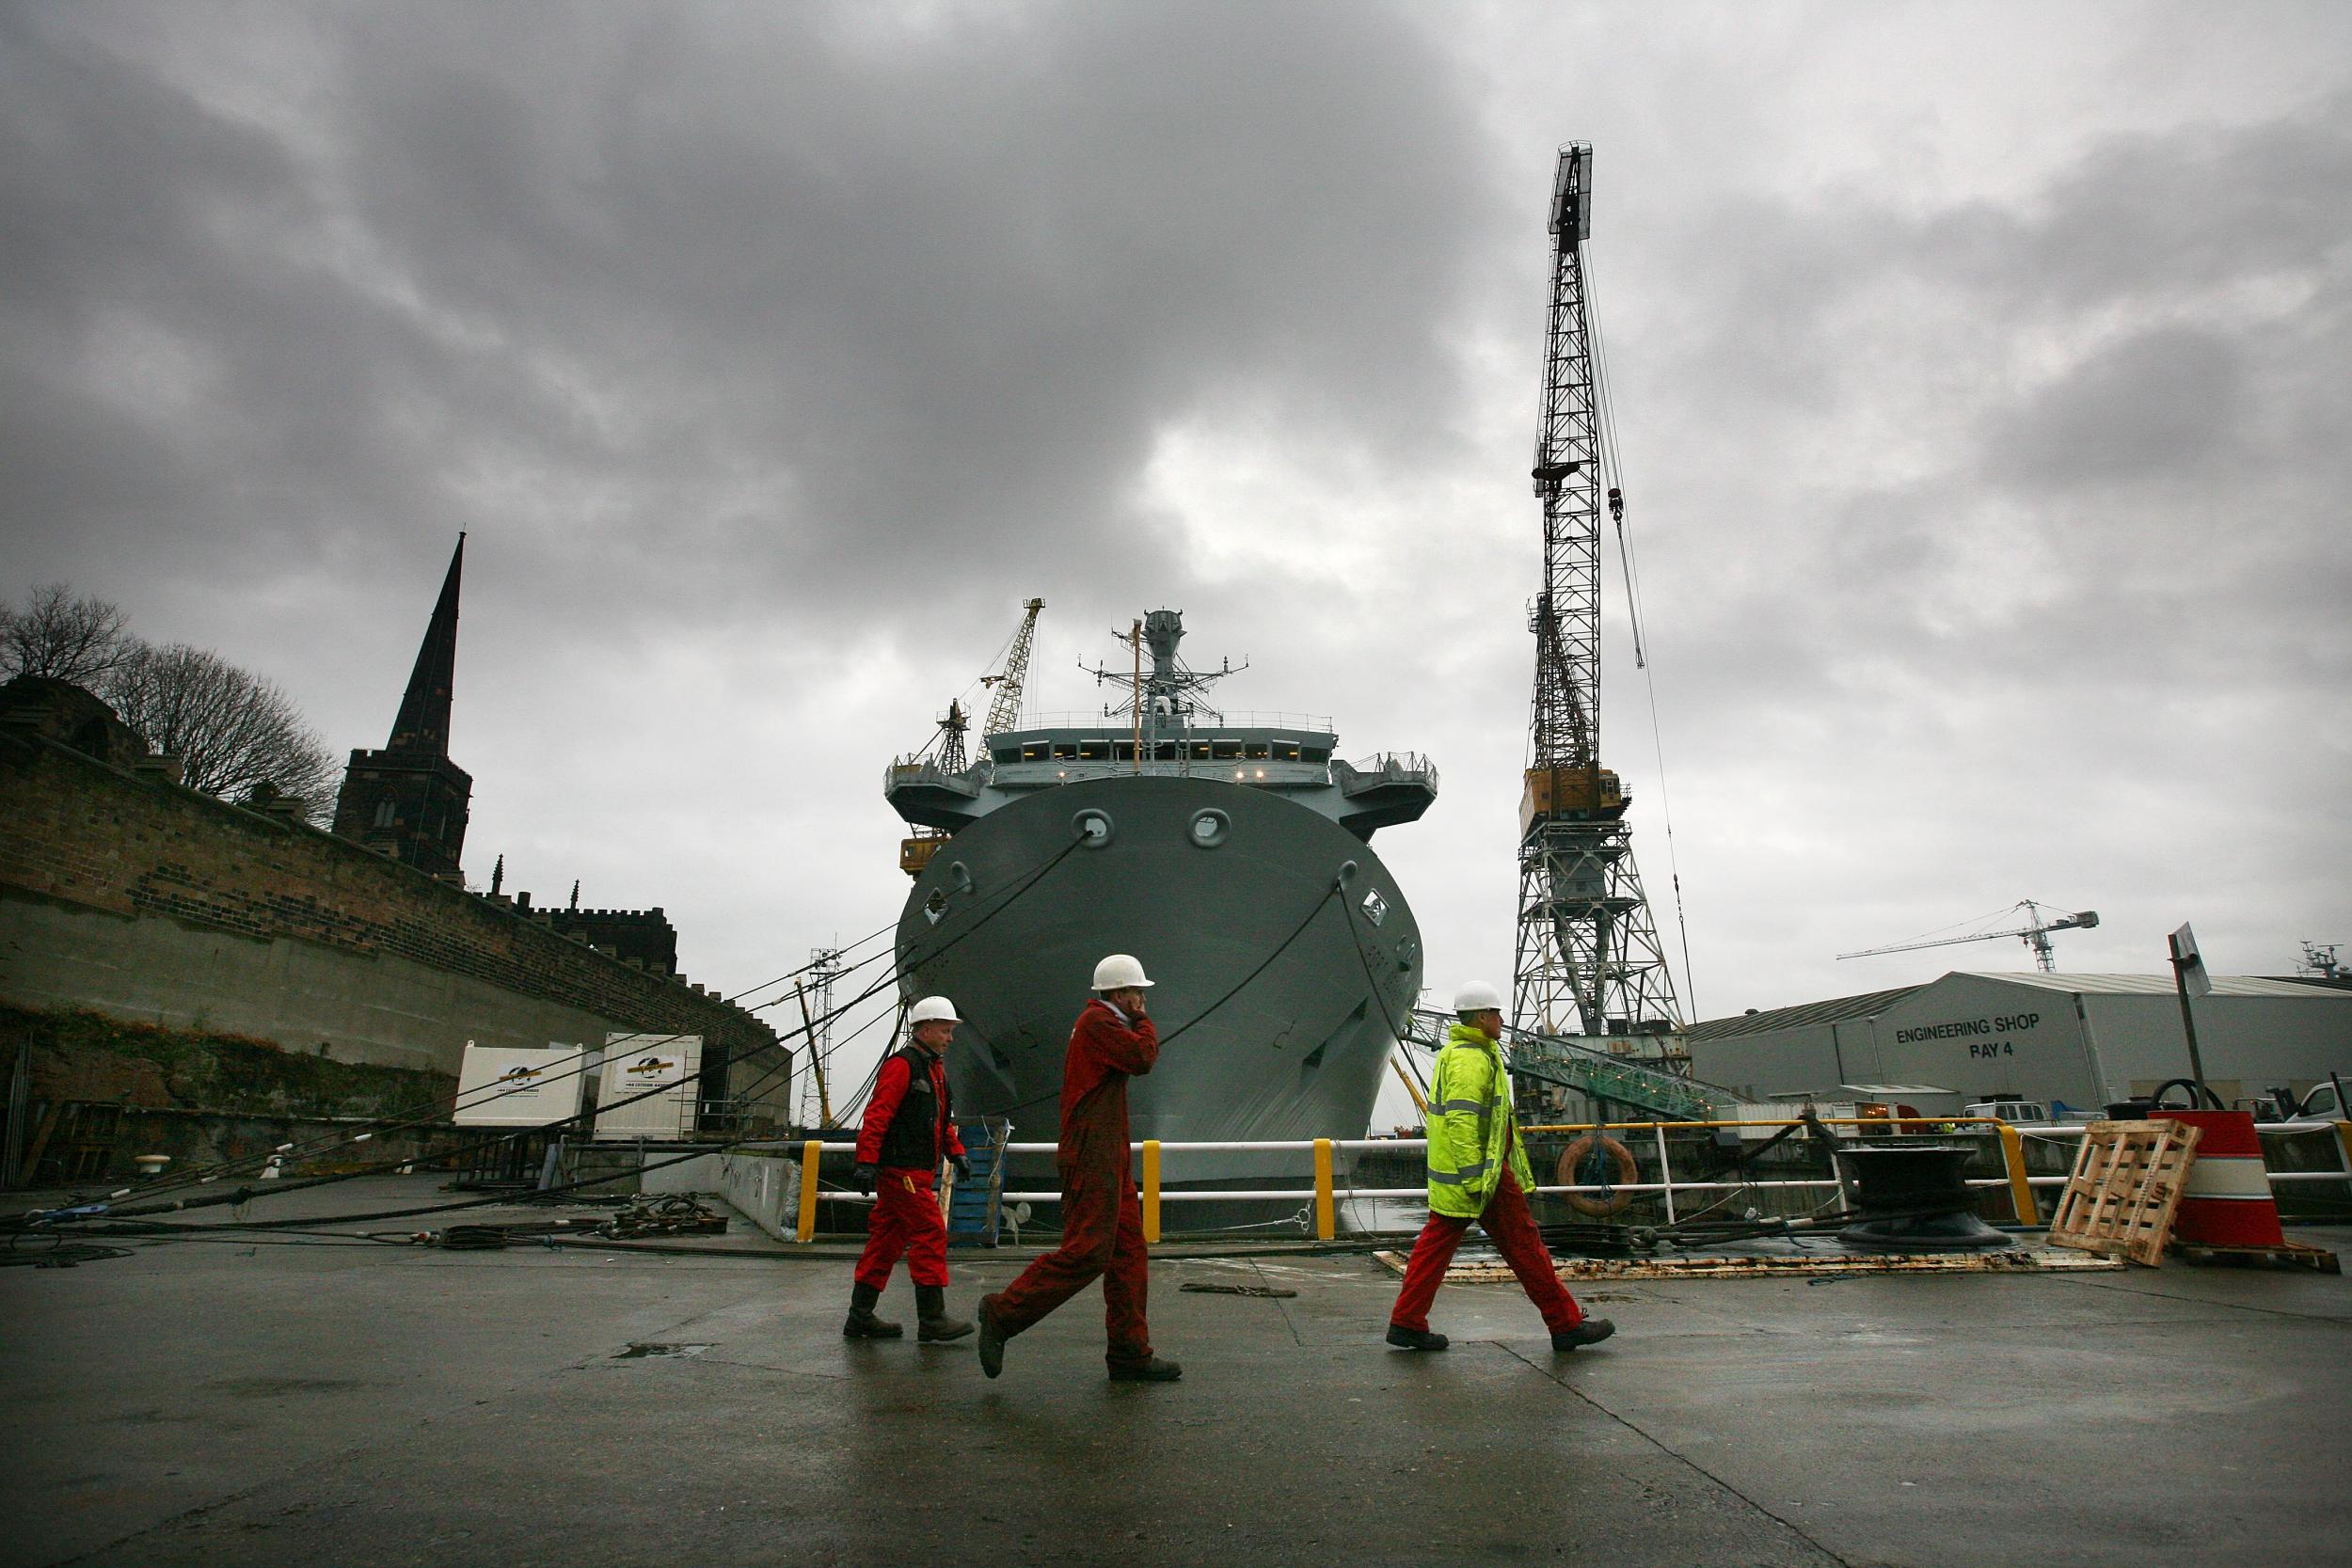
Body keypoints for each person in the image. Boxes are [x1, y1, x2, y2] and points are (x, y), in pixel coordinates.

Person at [976, 954, 1179, 1382]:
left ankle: (1129, 1352)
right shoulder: (1099, 1024)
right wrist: (1144, 1022)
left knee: (1128, 1254)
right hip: (1093, 1155)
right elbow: (1143, 1058)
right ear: (1119, 994)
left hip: (1108, 1153)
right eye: (1137, 993)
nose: (1142, 1000)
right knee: (1088, 1252)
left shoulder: (1101, 1025)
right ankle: (1002, 1312)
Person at [1386, 980, 1614, 1354]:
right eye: (1495, 1013)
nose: (1501, 1019)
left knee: (1435, 1247)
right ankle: (1566, 1324)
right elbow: (1462, 1121)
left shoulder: (1467, 1052)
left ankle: (1407, 1321)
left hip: (1471, 1175)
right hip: (1483, 1176)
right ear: (1480, 1017)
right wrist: (1478, 1176)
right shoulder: (1470, 1059)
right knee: (1526, 1247)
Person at [844, 995, 974, 1342]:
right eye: (946, 1031)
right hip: (903, 1172)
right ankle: (932, 1319)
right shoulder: (904, 1066)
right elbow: (878, 1115)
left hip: (911, 1170)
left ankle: (860, 1316)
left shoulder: (931, 1069)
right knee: (930, 1231)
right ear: (926, 1029)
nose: (950, 1038)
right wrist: (867, 1161)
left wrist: (956, 1152)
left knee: (887, 1240)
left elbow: (938, 1121)